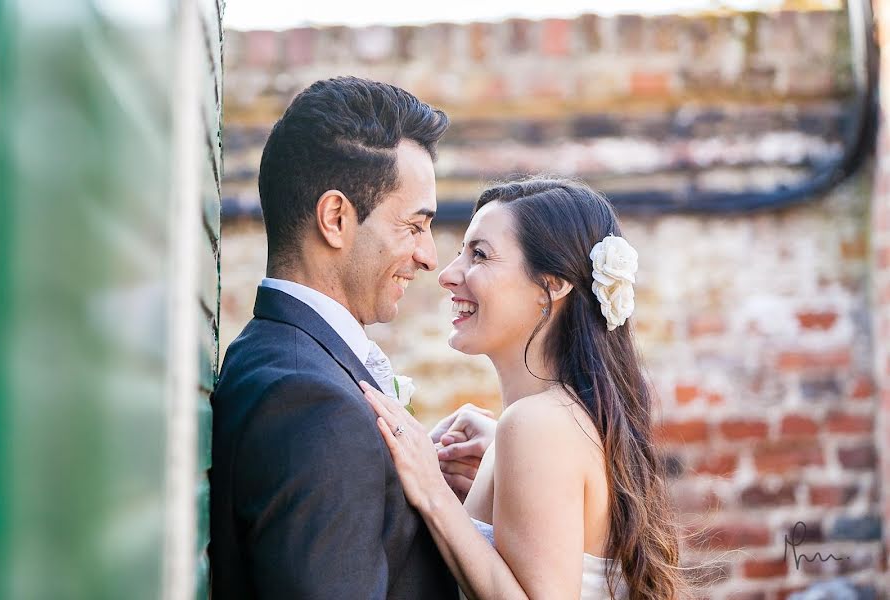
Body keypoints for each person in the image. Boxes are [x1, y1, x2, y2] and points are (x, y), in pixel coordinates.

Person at [210, 76, 489, 599]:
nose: (430, 257)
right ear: (336, 218)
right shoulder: (312, 405)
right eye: (414, 225)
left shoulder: (282, 362)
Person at [363, 178, 685, 600]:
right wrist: (497, 468)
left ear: (552, 284)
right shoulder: (555, 421)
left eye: (479, 254)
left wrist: (431, 491)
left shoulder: (537, 425)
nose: (447, 274)